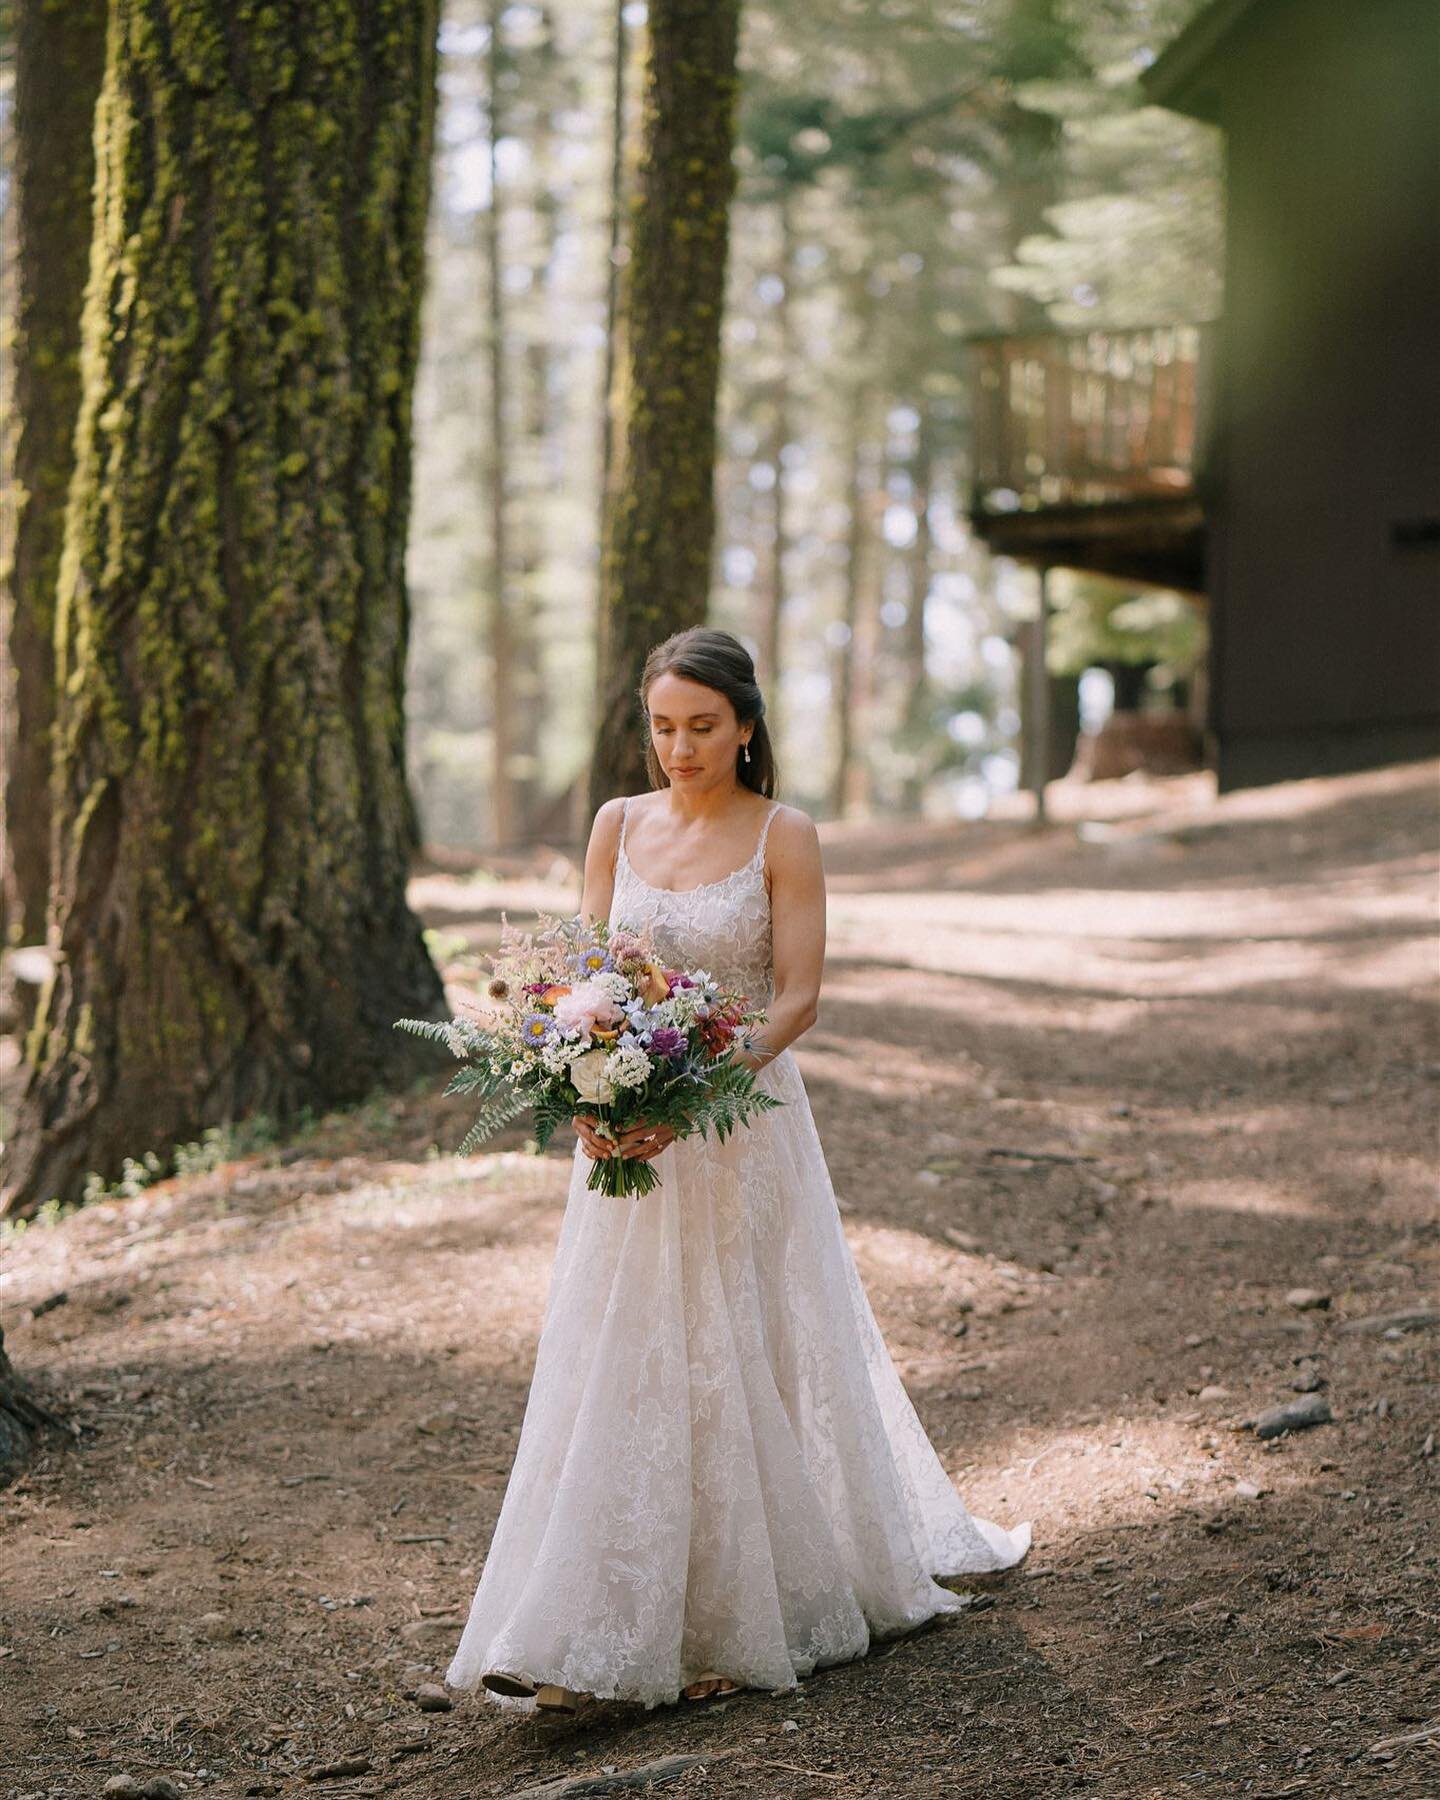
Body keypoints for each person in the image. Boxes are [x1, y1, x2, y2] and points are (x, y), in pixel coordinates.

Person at [444, 627, 1031, 1714]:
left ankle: (736, 1612)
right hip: (624, 1134)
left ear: (747, 726)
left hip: (741, 1123)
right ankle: (588, 1615)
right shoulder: (615, 825)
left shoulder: (783, 835)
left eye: (703, 727)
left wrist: (694, 1093)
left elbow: (798, 996)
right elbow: (583, 977)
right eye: (663, 727)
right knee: (623, 1347)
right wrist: (587, 1093)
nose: (681, 747)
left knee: (735, 1339)